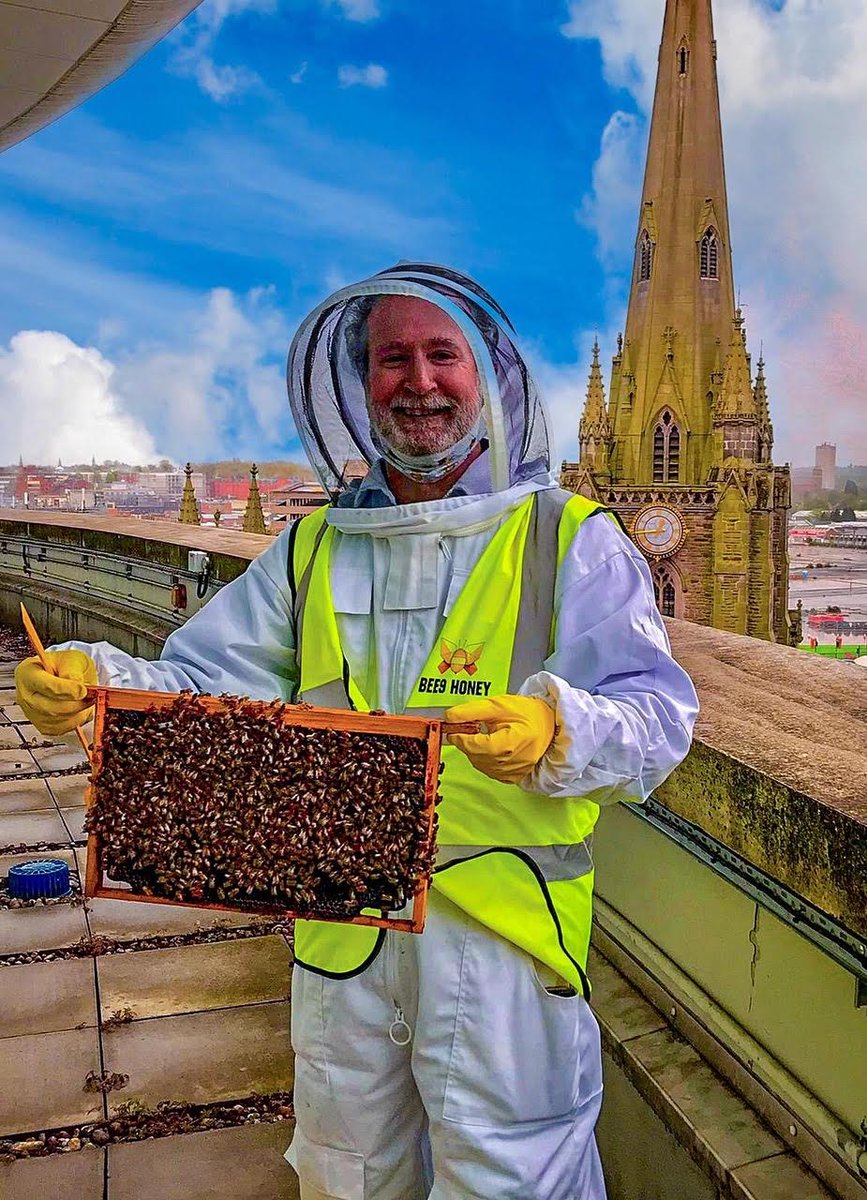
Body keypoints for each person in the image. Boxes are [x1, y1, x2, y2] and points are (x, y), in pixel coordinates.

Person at [16, 263, 698, 1199]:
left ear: (488, 375)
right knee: (346, 1175)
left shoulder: (571, 538)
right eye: (390, 358)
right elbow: (198, 685)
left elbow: (659, 716)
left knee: (512, 1182)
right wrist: (96, 680)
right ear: (359, 382)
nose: (417, 381)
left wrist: (560, 729)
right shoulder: (313, 549)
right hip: (343, 935)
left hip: (501, 951)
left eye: (439, 355)